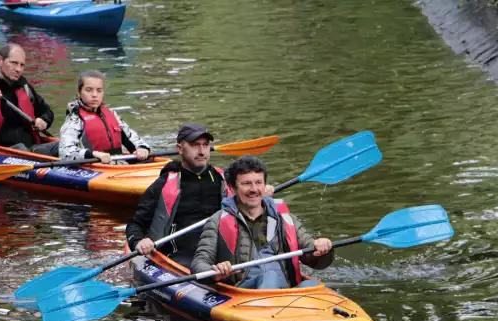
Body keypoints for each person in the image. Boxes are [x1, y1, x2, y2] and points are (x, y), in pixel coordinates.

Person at [191, 156, 334, 289]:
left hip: (285, 290)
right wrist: (214, 272)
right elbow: (199, 264)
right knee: (269, 277)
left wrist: (322, 250)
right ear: (233, 188)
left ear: (264, 185)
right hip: (246, 291)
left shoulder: (285, 218)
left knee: (312, 284)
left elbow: (314, 258)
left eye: (258, 183)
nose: (254, 189)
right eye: (246, 184)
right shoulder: (217, 221)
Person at [125, 123, 233, 267]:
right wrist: (138, 241)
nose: (202, 151)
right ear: (180, 149)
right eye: (195, 145)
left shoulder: (221, 179)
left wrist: (258, 193)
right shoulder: (164, 184)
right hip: (178, 255)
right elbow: (135, 224)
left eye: (205, 145)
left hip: (215, 251)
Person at [0, 43, 59, 156]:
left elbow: (48, 112)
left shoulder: (26, 89)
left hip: (32, 150)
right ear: (0, 61)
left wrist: (44, 121)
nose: (18, 69)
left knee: (63, 146)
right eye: (14, 63)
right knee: (21, 148)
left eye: (22, 65)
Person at [59, 70, 150, 163]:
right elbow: (65, 152)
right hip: (92, 164)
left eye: (99, 90)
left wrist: (142, 148)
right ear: (79, 92)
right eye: (88, 90)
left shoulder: (111, 114)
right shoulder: (75, 118)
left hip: (117, 163)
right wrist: (93, 154)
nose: (94, 95)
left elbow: (132, 137)